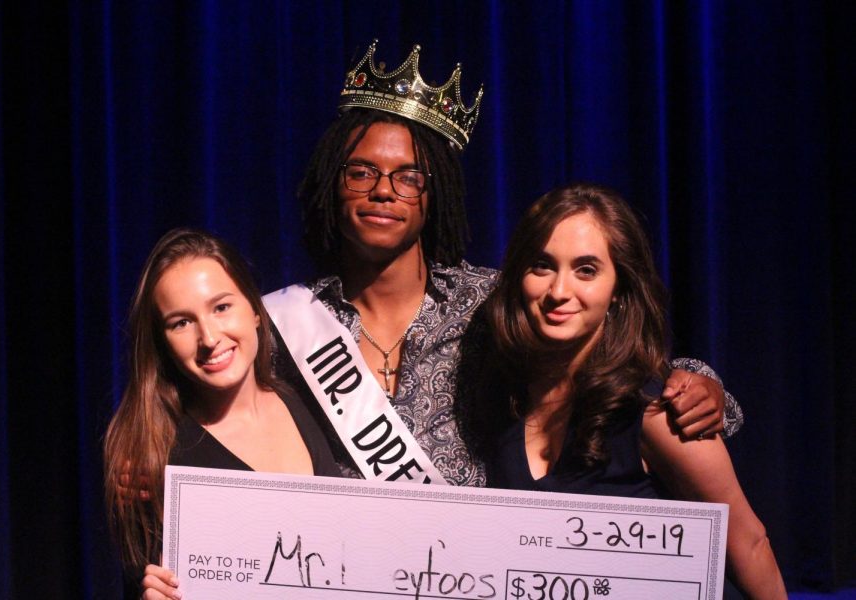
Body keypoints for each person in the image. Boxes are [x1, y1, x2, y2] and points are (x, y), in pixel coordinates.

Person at [269, 40, 741, 488]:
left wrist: (699, 383)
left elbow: (620, 361)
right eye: (361, 172)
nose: (384, 190)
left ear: (436, 196)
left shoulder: (492, 300)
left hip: (474, 563)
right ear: (333, 183)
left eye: (409, 176)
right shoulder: (283, 326)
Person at [483, 183, 785, 598]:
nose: (558, 291)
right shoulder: (503, 399)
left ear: (618, 291)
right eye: (542, 265)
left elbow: (749, 543)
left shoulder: (656, 409)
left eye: (586, 270)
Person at [103, 229, 340, 599]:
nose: (209, 337)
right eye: (181, 322)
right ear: (162, 342)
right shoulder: (153, 455)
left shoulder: (302, 400)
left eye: (221, 307)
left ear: (255, 311)